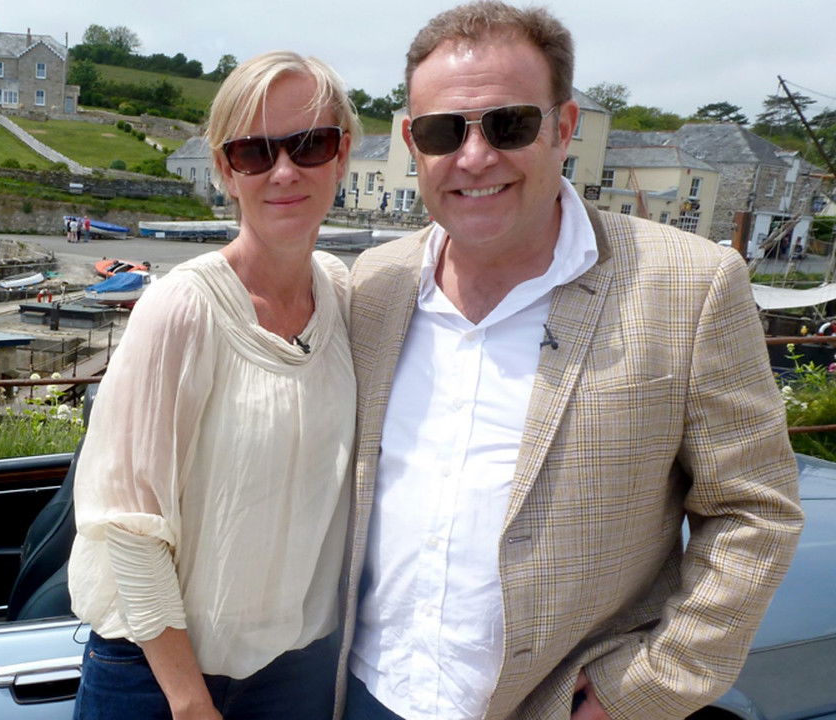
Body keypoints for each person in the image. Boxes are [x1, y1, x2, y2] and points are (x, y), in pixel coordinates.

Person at [338, 3, 804, 720]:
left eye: (509, 124)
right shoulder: (376, 283)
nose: (474, 157)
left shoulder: (689, 285)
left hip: (554, 703)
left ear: (564, 128)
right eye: (443, 131)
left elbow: (754, 510)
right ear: (412, 143)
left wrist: (640, 691)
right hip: (371, 688)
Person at [69, 50, 360, 720]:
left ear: (342, 154)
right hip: (161, 676)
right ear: (226, 171)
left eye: (309, 144)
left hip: (298, 671)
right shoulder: (182, 308)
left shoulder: (345, 296)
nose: (284, 171)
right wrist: (189, 702)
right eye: (253, 152)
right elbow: (129, 525)